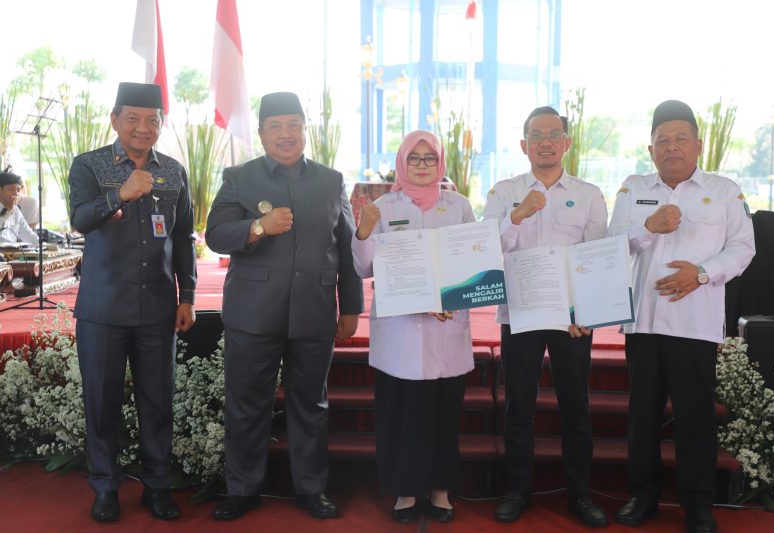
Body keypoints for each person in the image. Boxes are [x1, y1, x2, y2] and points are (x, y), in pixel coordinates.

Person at [206, 91, 364, 521]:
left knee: (310, 404)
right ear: (261, 133)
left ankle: (311, 489)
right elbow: (215, 235)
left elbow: (346, 246)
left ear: (305, 130)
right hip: (253, 313)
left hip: (314, 311)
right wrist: (258, 226)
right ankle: (243, 489)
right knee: (247, 404)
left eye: (294, 124)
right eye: (275, 126)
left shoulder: (331, 180)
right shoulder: (239, 177)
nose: (285, 134)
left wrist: (351, 306)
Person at [608, 100, 755, 533]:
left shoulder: (725, 190)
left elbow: (744, 248)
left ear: (698, 145)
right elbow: (612, 245)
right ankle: (643, 496)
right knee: (643, 415)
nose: (672, 148)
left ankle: (697, 505)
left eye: (680, 140)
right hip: (644, 322)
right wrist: (647, 227)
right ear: (651, 149)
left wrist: (703, 274)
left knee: (695, 417)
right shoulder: (633, 187)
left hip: (696, 323)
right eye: (662, 141)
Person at [68, 82, 197, 523]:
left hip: (159, 310)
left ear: (162, 123)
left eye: (152, 119)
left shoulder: (175, 172)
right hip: (102, 309)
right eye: (133, 119)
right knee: (101, 402)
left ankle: (157, 486)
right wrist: (119, 195)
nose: (144, 128)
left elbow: (183, 238)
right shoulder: (89, 165)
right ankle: (105, 487)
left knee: (158, 402)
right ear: (115, 120)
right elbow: (80, 219)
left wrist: (189, 296)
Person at [484, 106, 609, 527]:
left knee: (577, 407)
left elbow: (594, 257)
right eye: (536, 135)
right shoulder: (504, 192)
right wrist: (517, 215)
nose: (545, 141)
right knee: (519, 406)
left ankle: (580, 494)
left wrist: (586, 309)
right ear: (524, 145)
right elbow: (486, 249)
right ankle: (517, 490)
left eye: (553, 134)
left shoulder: (589, 194)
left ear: (566, 142)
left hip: (571, 316)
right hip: (520, 311)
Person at [352, 130, 475, 524]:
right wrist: (364, 231)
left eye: (429, 159)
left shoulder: (459, 206)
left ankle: (440, 490)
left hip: (446, 327)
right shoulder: (382, 206)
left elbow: (470, 262)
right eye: (414, 159)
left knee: (443, 414)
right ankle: (404, 491)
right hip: (400, 336)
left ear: (440, 163)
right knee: (400, 415)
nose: (422, 166)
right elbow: (363, 267)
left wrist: (449, 297)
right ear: (401, 162)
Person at [0, 171, 39, 245]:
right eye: (11, 189)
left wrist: (45, 247)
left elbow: (30, 236)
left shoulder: (16, 210)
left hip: (13, 254)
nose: (16, 193)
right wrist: (7, 211)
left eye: (18, 190)